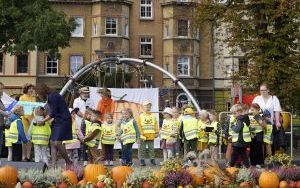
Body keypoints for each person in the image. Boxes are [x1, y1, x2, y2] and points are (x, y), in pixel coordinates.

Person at [35, 84, 73, 167]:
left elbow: (53, 113)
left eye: (37, 93)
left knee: (58, 143)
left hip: (64, 120)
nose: (37, 95)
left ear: (42, 92)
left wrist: (43, 121)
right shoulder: (50, 97)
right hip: (58, 120)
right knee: (52, 142)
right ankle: (53, 165)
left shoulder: (52, 97)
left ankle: (69, 162)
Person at [252, 83, 283, 152]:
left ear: (268, 90)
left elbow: (277, 110)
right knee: (260, 143)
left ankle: (269, 160)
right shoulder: (257, 98)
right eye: (261, 90)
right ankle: (261, 159)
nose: (262, 91)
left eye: (264, 90)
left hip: (269, 124)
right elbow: (252, 110)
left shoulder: (274, 98)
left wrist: (277, 121)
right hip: (259, 124)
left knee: (268, 142)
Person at [73, 87, 93, 162]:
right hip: (79, 122)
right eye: (84, 92)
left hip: (88, 123)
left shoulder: (90, 100)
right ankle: (78, 156)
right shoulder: (76, 100)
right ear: (80, 93)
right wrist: (84, 117)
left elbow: (92, 111)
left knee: (86, 139)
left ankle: (86, 157)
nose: (86, 94)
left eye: (87, 92)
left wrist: (88, 117)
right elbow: (76, 110)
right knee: (79, 139)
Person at [229, 104, 251, 168]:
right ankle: (248, 167)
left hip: (239, 141)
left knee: (234, 155)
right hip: (244, 141)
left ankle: (230, 166)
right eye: (232, 113)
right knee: (243, 155)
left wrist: (232, 125)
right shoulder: (245, 118)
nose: (233, 115)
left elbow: (237, 129)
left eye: (234, 113)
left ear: (239, 112)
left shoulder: (239, 119)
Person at [138, 101, 158, 166]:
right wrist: (141, 133)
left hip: (151, 135)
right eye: (146, 106)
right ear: (143, 107)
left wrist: (156, 132)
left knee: (151, 149)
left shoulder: (153, 116)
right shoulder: (141, 116)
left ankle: (152, 160)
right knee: (142, 149)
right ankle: (142, 160)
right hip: (143, 136)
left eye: (149, 106)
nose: (148, 107)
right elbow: (139, 125)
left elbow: (155, 124)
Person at [19, 83, 36, 162]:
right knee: (24, 139)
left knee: (30, 139)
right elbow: (21, 109)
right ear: (26, 89)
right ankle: (23, 156)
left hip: (32, 120)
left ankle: (28, 156)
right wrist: (27, 118)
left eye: (32, 88)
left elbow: (34, 110)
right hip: (25, 120)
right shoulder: (22, 97)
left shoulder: (33, 98)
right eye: (30, 88)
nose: (31, 90)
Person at [0, 82, 11, 157]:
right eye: (0, 89)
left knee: (0, 144)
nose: (2, 91)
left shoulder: (1, 100)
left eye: (2, 89)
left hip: (1, 125)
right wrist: (9, 113)